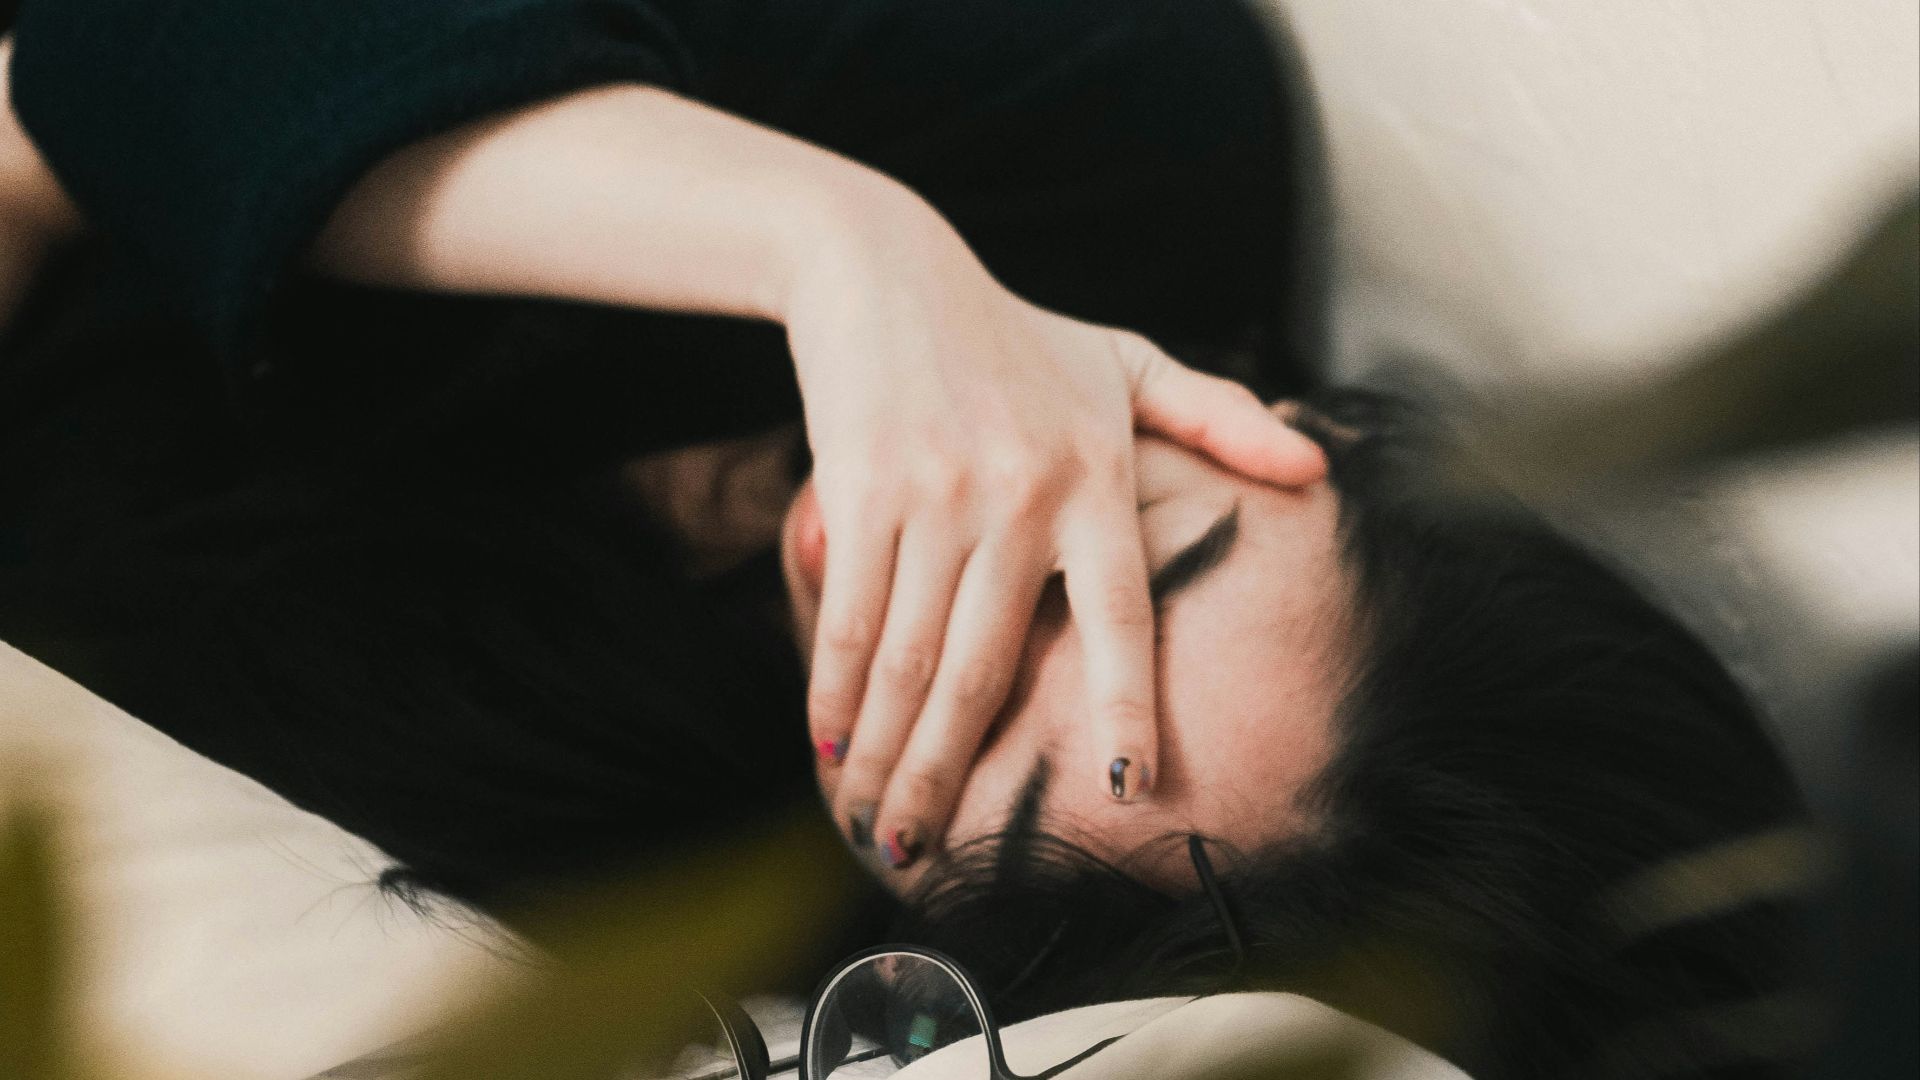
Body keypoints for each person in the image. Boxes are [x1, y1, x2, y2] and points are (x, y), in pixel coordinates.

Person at [0, 2, 1808, 1077]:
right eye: (1120, 557)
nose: (908, 583)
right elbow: (106, 52)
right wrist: (842, 251)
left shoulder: (615, 887)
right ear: (1305, 438)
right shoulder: (1108, 135)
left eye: (954, 752)